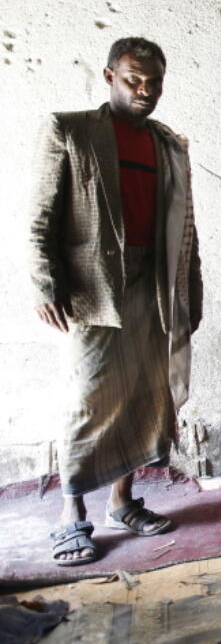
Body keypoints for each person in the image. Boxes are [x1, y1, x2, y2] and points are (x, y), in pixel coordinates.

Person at [29, 37, 202, 566]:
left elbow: (187, 226)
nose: (145, 91)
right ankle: (72, 514)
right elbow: (41, 217)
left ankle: (122, 502)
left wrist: (191, 290)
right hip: (93, 287)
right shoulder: (69, 130)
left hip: (155, 281)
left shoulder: (169, 144)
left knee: (146, 396)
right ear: (109, 76)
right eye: (134, 80)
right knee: (91, 397)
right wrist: (45, 284)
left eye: (154, 82)